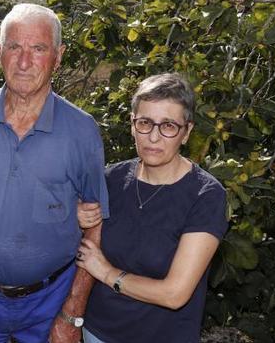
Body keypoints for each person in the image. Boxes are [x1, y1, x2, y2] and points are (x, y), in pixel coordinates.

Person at [0, 3, 109, 343]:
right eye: (15, 47)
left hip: (51, 299)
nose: (25, 62)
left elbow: (96, 227)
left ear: (58, 57)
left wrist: (72, 313)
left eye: (38, 49)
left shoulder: (82, 130)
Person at [75, 73, 228, 343]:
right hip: (96, 333)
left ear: (187, 131)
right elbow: (77, 252)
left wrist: (107, 272)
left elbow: (174, 294)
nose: (154, 137)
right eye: (145, 123)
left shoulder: (205, 195)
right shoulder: (110, 180)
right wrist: (74, 220)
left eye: (168, 125)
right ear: (133, 125)